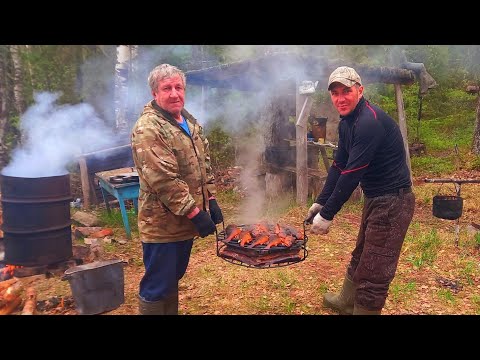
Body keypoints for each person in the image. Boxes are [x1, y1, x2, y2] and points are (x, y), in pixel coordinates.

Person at [305, 66, 415, 315]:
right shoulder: (347, 123)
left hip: (394, 201)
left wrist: (328, 215)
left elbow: (352, 174)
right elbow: (338, 165)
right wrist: (321, 202)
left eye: (346, 91)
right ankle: (346, 301)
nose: (340, 98)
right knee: (363, 252)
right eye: (335, 93)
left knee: (375, 269)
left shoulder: (368, 122)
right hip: (376, 198)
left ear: (360, 90)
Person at [131, 63, 223, 315]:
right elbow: (164, 180)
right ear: (154, 93)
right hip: (162, 224)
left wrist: (211, 198)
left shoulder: (188, 121)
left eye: (178, 87)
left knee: (172, 279)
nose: (174, 93)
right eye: (166, 88)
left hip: (184, 223)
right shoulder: (148, 128)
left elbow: (203, 163)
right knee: (157, 285)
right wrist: (196, 213)